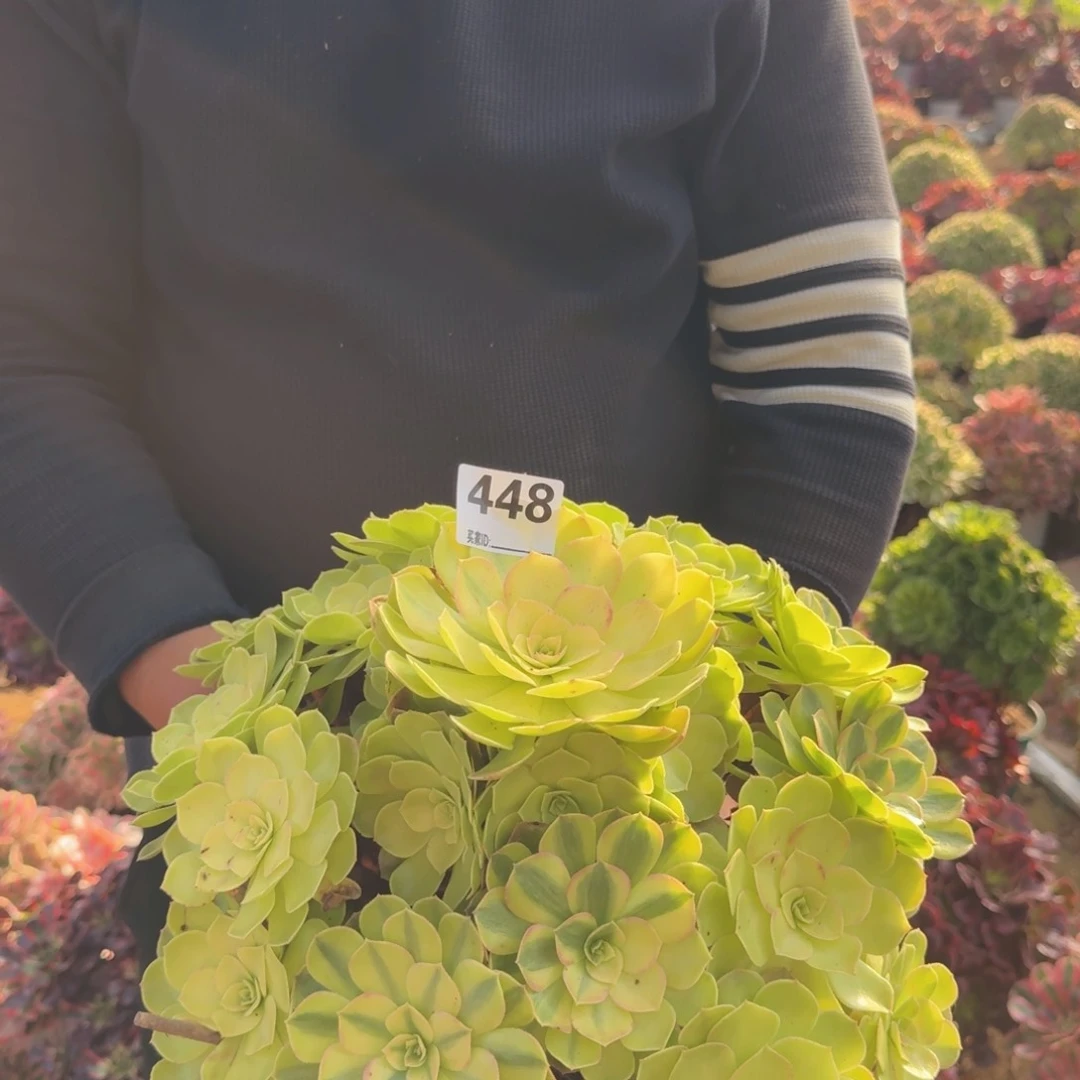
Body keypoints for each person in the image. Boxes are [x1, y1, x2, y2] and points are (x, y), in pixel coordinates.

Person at [0, 0, 914, 1060]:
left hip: (654, 842)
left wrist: (709, 733)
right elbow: (26, 362)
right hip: (262, 825)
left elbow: (825, 371)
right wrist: (234, 707)